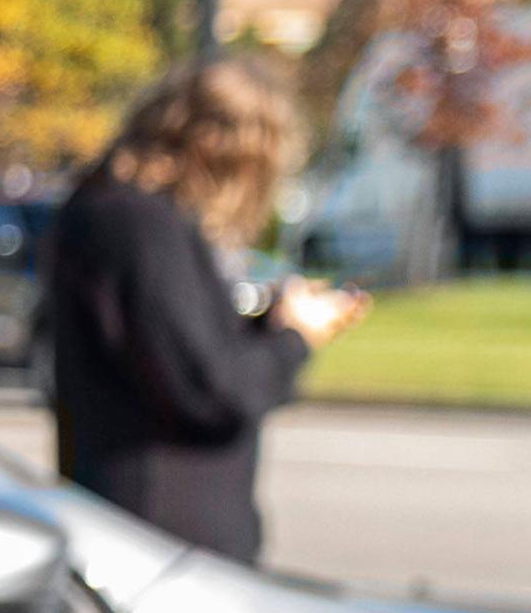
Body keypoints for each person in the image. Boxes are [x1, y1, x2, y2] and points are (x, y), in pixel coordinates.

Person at [48, 58, 365, 562]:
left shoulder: (118, 213)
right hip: (164, 543)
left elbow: (171, 348)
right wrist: (294, 338)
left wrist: (268, 323)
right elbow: (209, 390)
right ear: (224, 151)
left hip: (147, 527)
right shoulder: (140, 226)